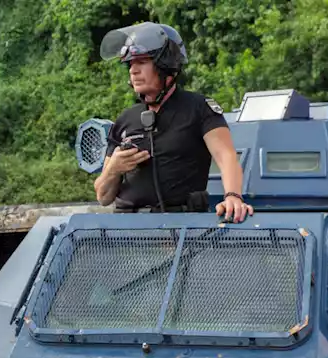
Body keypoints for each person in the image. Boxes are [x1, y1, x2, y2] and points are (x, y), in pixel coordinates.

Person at [92, 22, 254, 223]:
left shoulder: (199, 108)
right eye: (130, 64)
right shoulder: (125, 119)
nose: (133, 70)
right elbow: (103, 197)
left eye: (142, 62)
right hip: (128, 233)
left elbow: (226, 156)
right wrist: (113, 169)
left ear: (166, 65)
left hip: (183, 230)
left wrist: (233, 196)